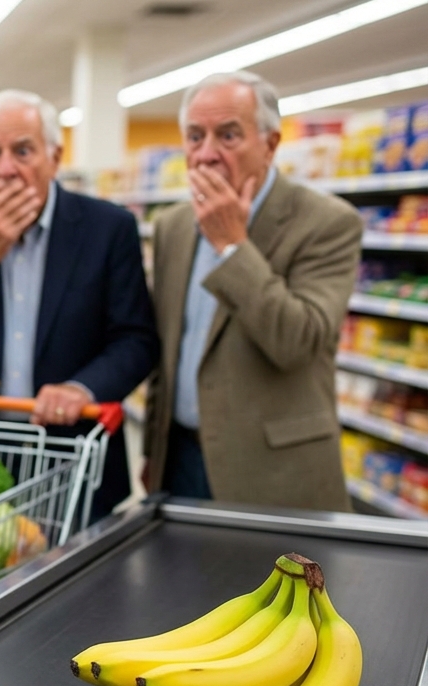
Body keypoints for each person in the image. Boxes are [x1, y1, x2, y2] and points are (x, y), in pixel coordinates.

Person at [0, 89, 158, 525]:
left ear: (54, 157)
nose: (6, 168)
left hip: (76, 462)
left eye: (22, 151)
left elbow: (136, 340)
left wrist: (82, 388)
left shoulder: (108, 227)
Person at [144, 71, 360, 510]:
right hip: (180, 460)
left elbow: (297, 342)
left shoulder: (327, 223)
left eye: (228, 136)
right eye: (195, 136)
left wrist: (232, 246)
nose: (207, 154)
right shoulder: (172, 226)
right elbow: (165, 353)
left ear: (270, 144)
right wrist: (153, 450)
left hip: (274, 472)